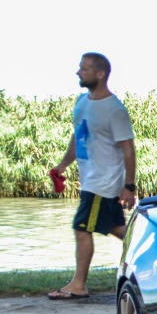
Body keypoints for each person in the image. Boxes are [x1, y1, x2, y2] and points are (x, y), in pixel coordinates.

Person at [48, 52, 135, 300]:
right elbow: (79, 136)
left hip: (103, 183)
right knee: (119, 229)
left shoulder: (115, 110)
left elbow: (128, 149)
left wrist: (129, 186)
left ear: (100, 74)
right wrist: (63, 166)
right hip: (90, 179)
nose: (78, 72)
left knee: (81, 227)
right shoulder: (82, 101)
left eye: (84, 69)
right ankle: (153, 249)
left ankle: (79, 284)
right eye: (80, 68)